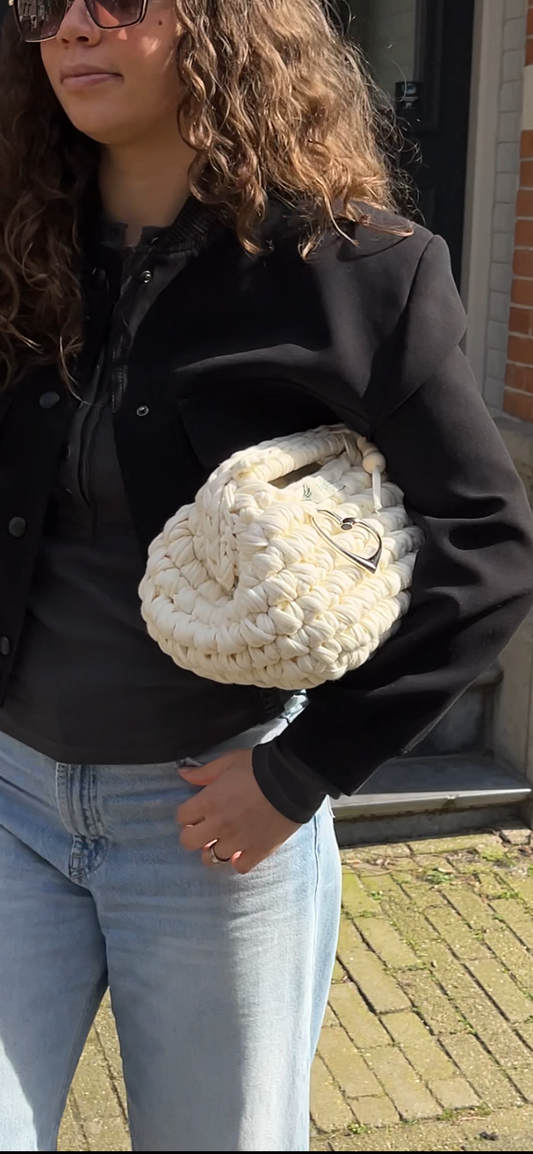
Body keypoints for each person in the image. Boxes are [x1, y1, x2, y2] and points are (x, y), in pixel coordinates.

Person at [0, 0, 532, 1150]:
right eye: (43, 9)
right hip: (10, 800)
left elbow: (483, 548)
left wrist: (301, 770)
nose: (71, 32)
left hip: (207, 827)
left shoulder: (352, 274)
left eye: (118, 4)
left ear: (221, 25)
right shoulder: (19, 251)